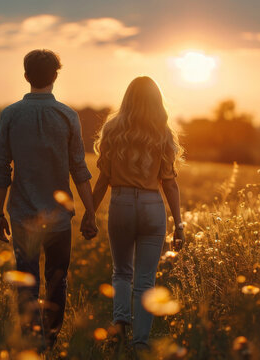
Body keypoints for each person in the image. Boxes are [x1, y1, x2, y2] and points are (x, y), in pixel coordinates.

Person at [0, 49, 98, 350]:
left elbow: (2, 170)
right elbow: (79, 169)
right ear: (55, 76)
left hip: (22, 214)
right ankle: (50, 339)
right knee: (57, 280)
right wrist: (90, 212)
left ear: (26, 76)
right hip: (59, 218)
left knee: (26, 279)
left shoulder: (9, 115)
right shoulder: (67, 116)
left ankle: (32, 341)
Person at [90, 76, 185, 355]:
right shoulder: (162, 131)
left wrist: (89, 214)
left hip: (120, 203)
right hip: (151, 205)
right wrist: (178, 224)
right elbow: (169, 182)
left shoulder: (112, 129)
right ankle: (140, 342)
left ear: (127, 98)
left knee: (121, 272)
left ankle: (120, 325)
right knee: (146, 280)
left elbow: (103, 179)